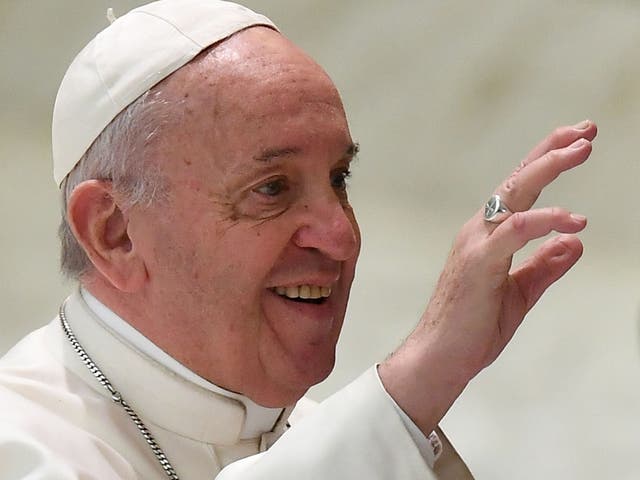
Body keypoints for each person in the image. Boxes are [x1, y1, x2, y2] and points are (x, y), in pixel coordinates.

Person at [0, 1, 598, 479]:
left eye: (339, 179)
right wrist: (421, 375)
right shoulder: (20, 443)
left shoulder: (311, 431)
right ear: (116, 233)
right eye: (271, 188)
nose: (340, 236)